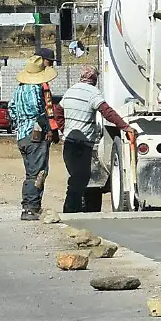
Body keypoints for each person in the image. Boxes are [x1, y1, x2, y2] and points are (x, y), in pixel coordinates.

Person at [57, 67, 136, 213]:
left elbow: (58, 111)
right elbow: (107, 112)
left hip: (69, 142)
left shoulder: (70, 91)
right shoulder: (93, 93)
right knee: (81, 177)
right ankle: (70, 210)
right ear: (94, 79)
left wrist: (63, 129)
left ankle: (71, 209)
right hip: (84, 144)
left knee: (76, 175)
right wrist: (125, 126)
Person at [8, 54, 56, 221]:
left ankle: (29, 206)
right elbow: (39, 111)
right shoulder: (35, 88)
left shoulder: (19, 89)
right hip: (35, 135)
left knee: (30, 173)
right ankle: (31, 208)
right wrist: (49, 129)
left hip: (21, 135)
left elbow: (11, 110)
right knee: (38, 172)